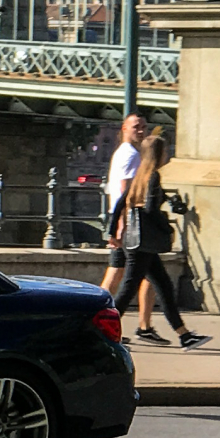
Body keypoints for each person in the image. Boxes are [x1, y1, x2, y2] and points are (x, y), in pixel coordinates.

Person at [110, 130, 208, 349]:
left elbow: (119, 204)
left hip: (136, 242)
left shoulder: (140, 175)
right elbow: (151, 209)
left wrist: (112, 232)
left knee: (163, 286)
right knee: (128, 289)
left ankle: (184, 335)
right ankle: (100, 331)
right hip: (143, 244)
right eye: (166, 151)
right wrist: (166, 227)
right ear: (160, 154)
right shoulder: (153, 176)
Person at [97, 112, 146, 300]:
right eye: (136, 127)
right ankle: (99, 311)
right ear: (124, 129)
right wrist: (122, 224)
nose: (141, 131)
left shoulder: (122, 152)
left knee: (117, 268)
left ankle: (98, 308)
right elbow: (126, 190)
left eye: (144, 127)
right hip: (127, 218)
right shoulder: (131, 155)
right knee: (125, 272)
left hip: (119, 215)